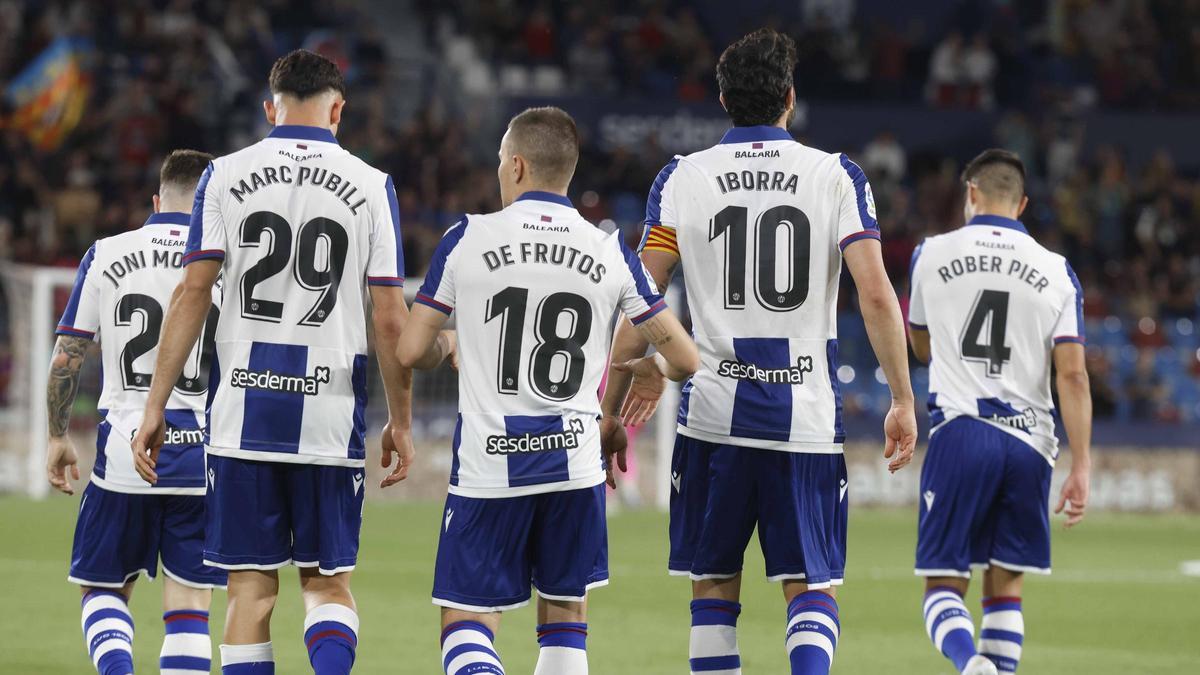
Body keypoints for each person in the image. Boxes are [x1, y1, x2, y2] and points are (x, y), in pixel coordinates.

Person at [602, 28, 917, 675]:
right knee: (809, 587)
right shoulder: (835, 176)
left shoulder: (681, 178)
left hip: (712, 417)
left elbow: (641, 297)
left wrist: (609, 409)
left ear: (722, 99)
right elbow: (877, 296)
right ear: (790, 99)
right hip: (802, 417)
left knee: (713, 587)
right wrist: (903, 396)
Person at [131, 49, 415, 675]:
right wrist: (401, 420)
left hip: (240, 414)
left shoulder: (223, 175)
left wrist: (155, 406)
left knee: (250, 592)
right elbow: (390, 317)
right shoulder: (372, 186)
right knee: (328, 585)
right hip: (328, 414)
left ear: (270, 108)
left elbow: (192, 294)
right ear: (337, 108)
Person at [397, 106, 700, 675]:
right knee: (565, 624)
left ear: (515, 165)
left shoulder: (468, 237)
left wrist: (453, 345)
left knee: (466, 623)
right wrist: (650, 368)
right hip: (574, 466)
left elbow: (411, 351)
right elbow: (686, 357)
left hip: (490, 467)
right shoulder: (609, 251)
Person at [908, 149, 1092, 675]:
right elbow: (1073, 375)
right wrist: (1080, 465)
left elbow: (920, 347)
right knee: (1006, 586)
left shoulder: (932, 253)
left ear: (971, 194)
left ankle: (971, 664)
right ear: (1023, 203)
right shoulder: (1058, 271)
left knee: (943, 582)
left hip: (963, 431)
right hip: (1031, 442)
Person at [47, 149, 225, 675]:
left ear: (157, 200)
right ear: (211, 203)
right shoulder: (226, 262)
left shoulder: (107, 253)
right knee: (191, 609)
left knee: (103, 588)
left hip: (126, 452)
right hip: (202, 455)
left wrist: (58, 435)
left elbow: (67, 355)